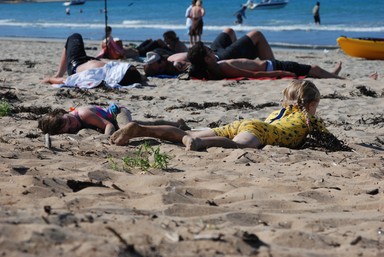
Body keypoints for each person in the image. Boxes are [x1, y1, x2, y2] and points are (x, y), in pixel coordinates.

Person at [109, 80, 343, 151]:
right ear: (312, 104)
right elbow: (328, 141)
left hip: (248, 123)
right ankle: (198, 144)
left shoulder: (278, 111)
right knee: (235, 146)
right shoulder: (310, 119)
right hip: (258, 131)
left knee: (186, 132)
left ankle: (140, 129)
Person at [143, 27, 275, 77]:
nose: (161, 59)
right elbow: (195, 68)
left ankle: (241, 54)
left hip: (212, 50)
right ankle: (274, 64)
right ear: (161, 69)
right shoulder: (176, 66)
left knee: (229, 31)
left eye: (158, 58)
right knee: (256, 34)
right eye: (159, 62)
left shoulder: (168, 59)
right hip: (217, 57)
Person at [187, 41, 343, 80]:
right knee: (313, 68)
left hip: (270, 65)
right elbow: (253, 74)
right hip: (271, 66)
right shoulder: (224, 66)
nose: (213, 52)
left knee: (309, 70)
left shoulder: (215, 69)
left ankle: (331, 73)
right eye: (210, 51)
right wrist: (279, 72)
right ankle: (337, 77)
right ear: (207, 59)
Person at [43, 33, 141, 88]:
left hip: (76, 64)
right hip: (90, 61)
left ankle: (59, 73)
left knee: (74, 37)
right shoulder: (118, 72)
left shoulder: (95, 77)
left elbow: (66, 81)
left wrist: (49, 79)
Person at [38, 103, 190, 136]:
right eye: (70, 129)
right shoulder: (70, 122)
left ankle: (176, 126)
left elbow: (108, 125)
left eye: (70, 122)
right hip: (113, 119)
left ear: (64, 113)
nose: (74, 126)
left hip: (117, 113)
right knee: (145, 124)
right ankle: (177, 124)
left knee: (128, 126)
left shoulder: (83, 114)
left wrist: (107, 138)